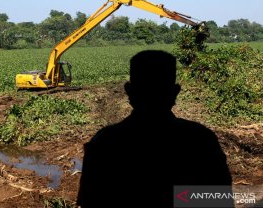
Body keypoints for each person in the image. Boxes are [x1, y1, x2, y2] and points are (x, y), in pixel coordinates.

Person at [77, 50, 232, 208]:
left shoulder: (104, 143)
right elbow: (219, 200)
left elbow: (91, 201)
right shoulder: (201, 140)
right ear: (175, 92)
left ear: (128, 91)